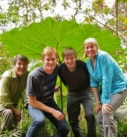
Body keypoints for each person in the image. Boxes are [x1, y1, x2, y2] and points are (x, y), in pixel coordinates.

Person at [83, 37, 127, 137]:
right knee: (99, 117)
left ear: (97, 47)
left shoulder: (103, 56)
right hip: (107, 91)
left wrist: (106, 102)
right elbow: (93, 83)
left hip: (119, 88)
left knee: (107, 112)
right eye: (87, 47)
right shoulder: (88, 63)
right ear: (84, 50)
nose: (90, 49)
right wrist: (98, 103)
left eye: (92, 46)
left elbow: (107, 78)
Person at [25, 46, 69, 137]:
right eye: (47, 59)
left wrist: (53, 89)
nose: (50, 62)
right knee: (39, 120)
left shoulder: (56, 68)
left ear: (56, 59)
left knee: (65, 129)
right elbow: (32, 101)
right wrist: (53, 111)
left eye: (53, 59)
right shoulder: (34, 76)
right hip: (34, 103)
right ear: (42, 60)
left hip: (48, 101)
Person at [58, 47, 96, 137]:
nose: (69, 61)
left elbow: (91, 77)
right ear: (63, 59)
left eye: (72, 58)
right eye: (67, 59)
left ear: (76, 57)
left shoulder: (82, 65)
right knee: (72, 119)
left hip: (86, 91)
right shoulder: (60, 69)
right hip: (72, 93)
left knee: (90, 115)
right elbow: (65, 82)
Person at [0, 54, 29, 134]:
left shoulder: (27, 75)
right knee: (9, 112)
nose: (22, 66)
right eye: (19, 64)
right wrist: (16, 111)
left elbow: (36, 86)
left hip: (12, 103)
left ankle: (10, 133)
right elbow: (3, 98)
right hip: (2, 102)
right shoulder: (7, 77)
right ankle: (3, 134)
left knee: (13, 124)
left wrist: (51, 89)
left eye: (24, 64)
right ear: (14, 65)